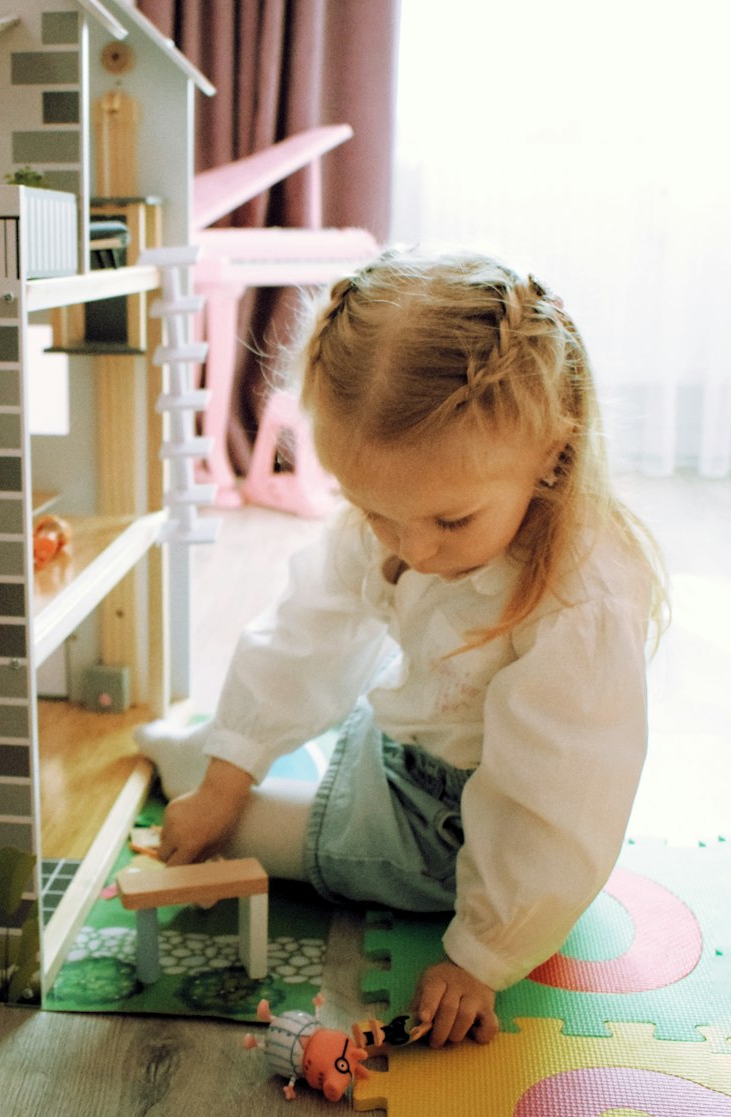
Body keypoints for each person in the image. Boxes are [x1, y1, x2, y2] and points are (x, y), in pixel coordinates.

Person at [136, 250, 666, 1049]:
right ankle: (208, 755)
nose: (411, 549)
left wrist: (482, 954)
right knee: (228, 769)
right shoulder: (409, 513)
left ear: (553, 450)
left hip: (460, 833)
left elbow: (554, 803)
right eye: (375, 511)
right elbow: (308, 631)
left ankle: (203, 765)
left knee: (247, 832)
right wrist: (229, 766)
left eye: (451, 522)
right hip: (402, 741)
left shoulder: (576, 601)